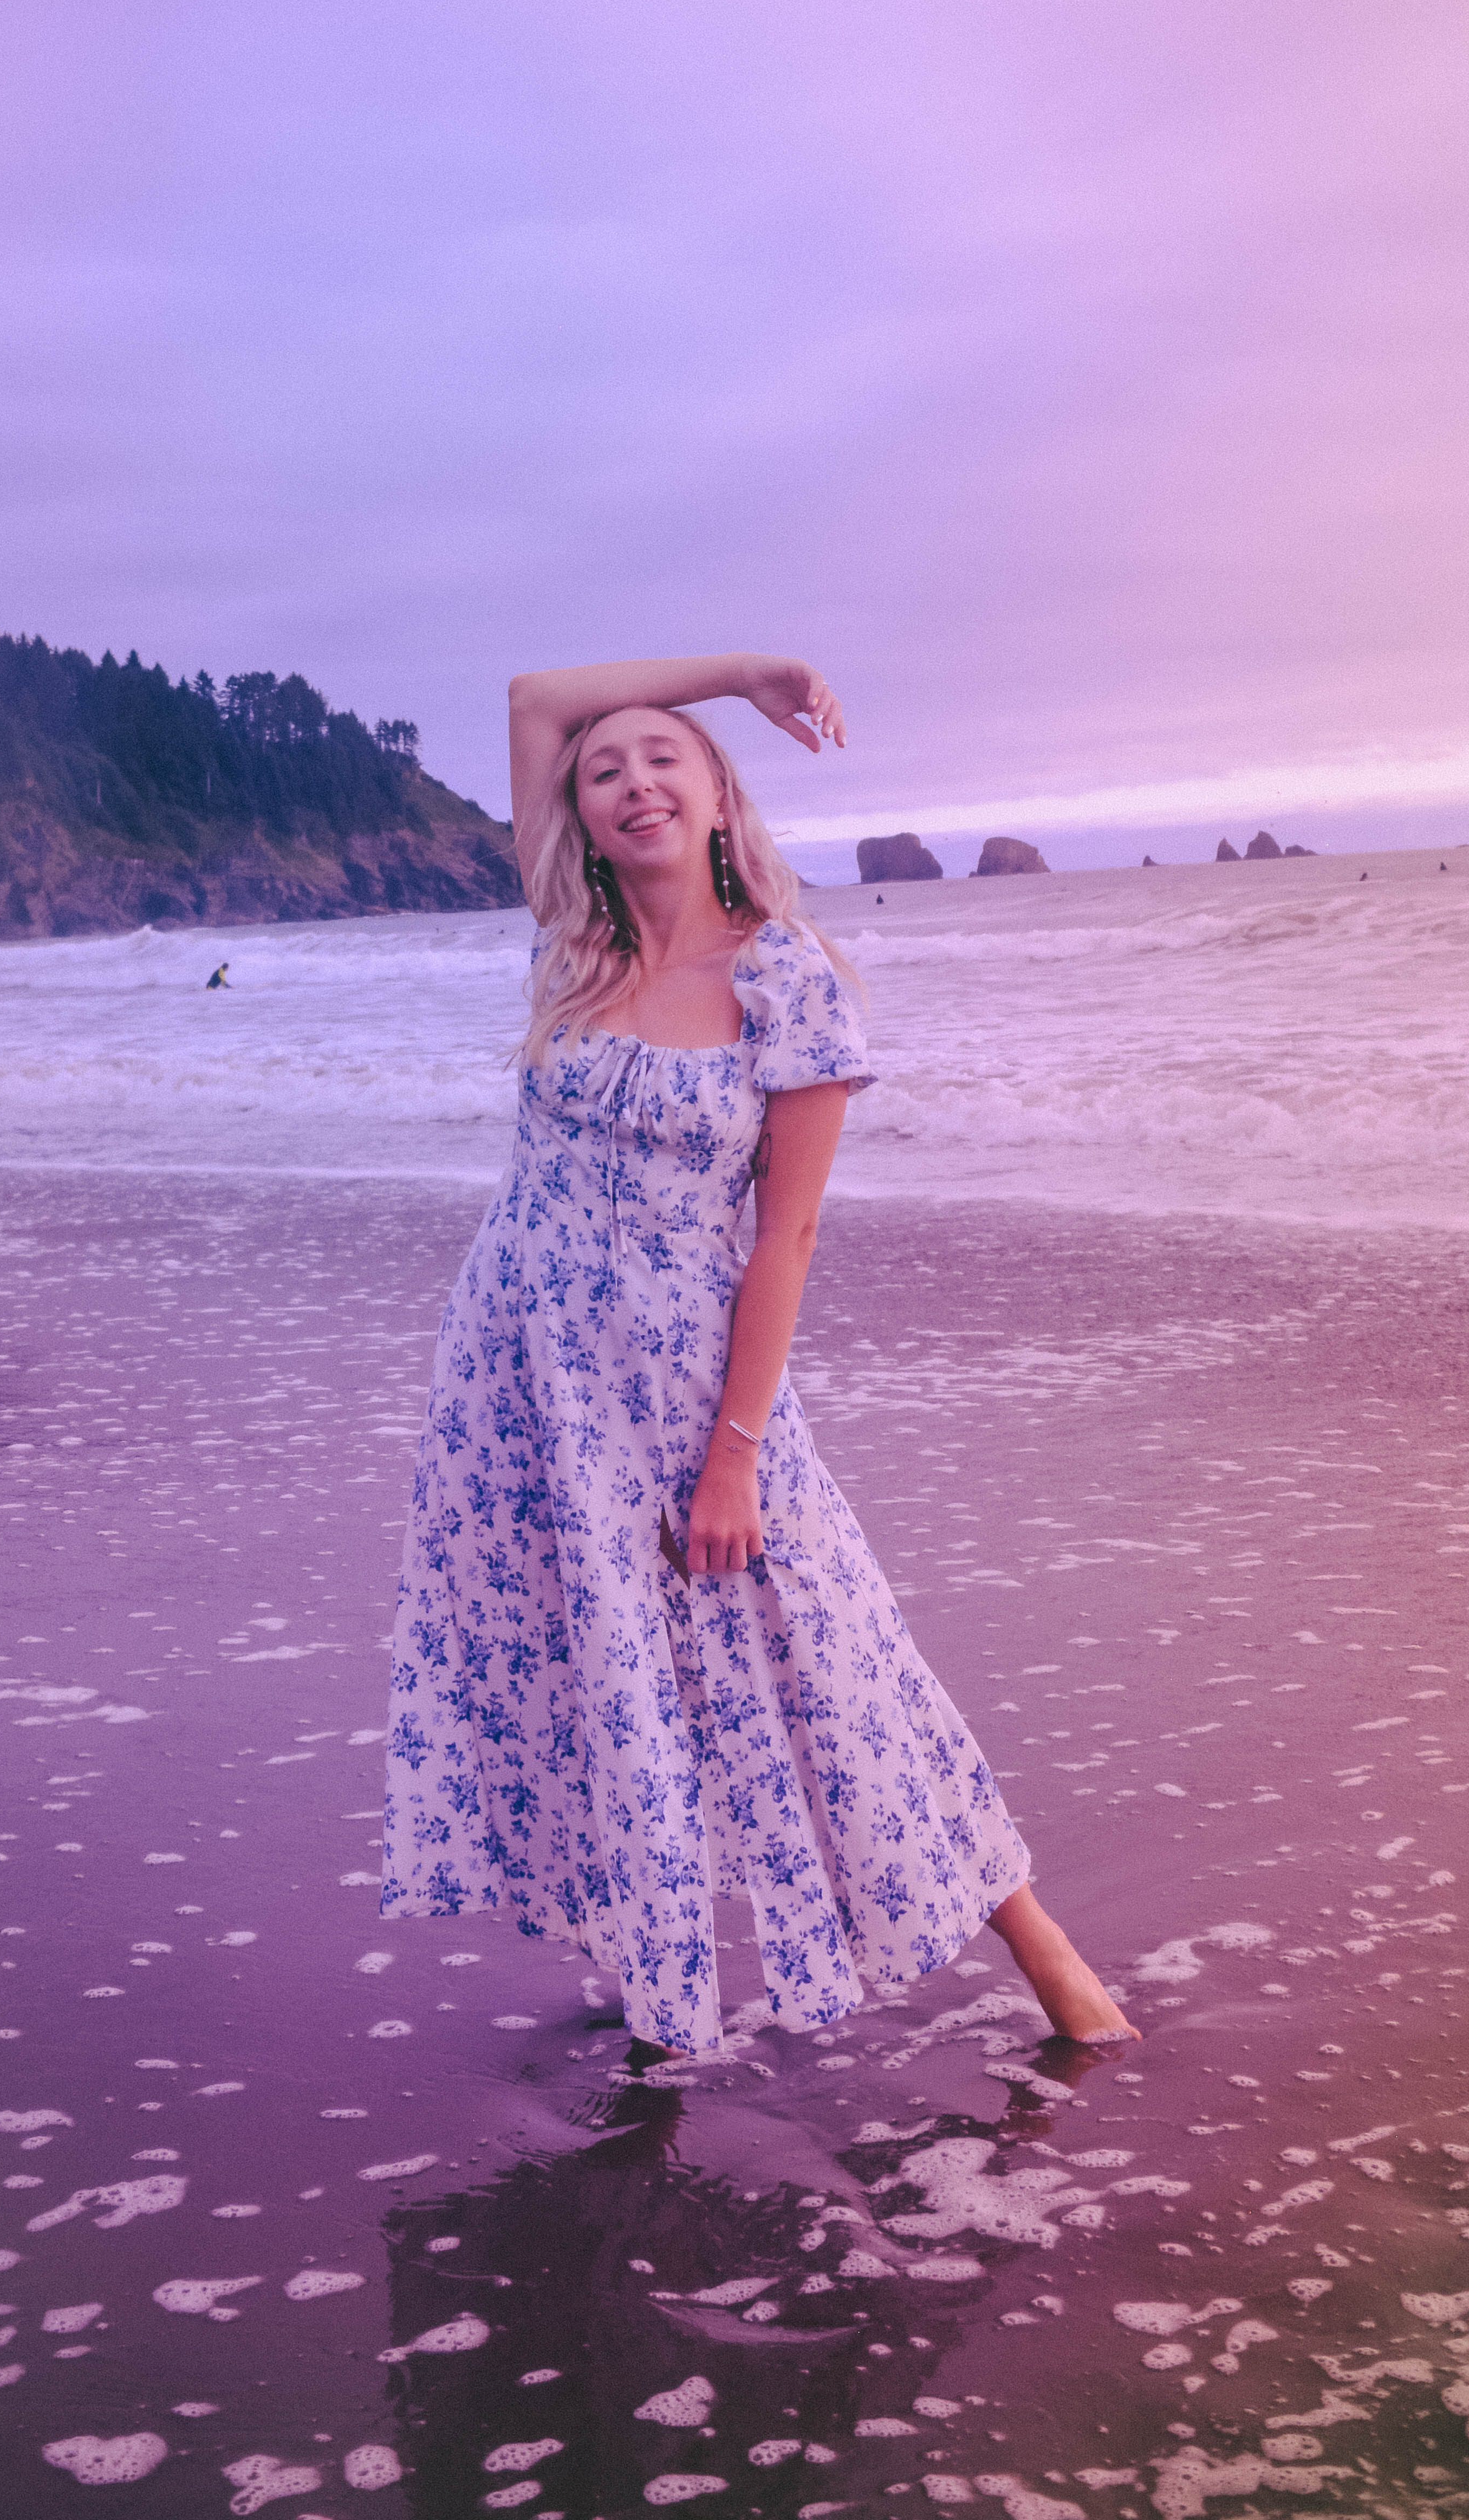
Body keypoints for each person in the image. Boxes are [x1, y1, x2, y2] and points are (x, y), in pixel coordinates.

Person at [380, 650, 1134, 2058]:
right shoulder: (573, 941)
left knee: (835, 1664)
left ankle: (1049, 1959)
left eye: (667, 757)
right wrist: (735, 670)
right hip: (521, 1388)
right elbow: (536, 696)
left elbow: (783, 1243)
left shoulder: (788, 982)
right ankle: (653, 1980)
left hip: (691, 1396)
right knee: (597, 1670)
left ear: (723, 797)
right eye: (605, 771)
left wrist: (732, 1462)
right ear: (582, 816)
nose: (629, 780)